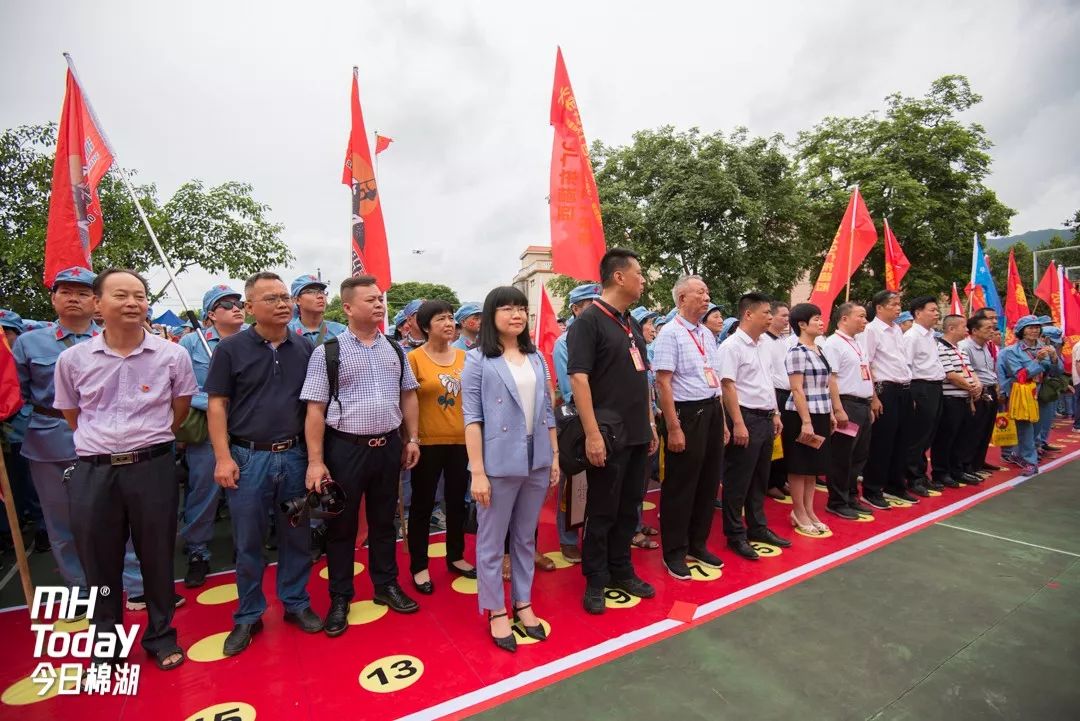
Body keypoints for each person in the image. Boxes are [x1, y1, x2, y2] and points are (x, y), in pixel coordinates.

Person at [55, 268, 198, 671]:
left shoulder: (172, 355)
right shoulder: (72, 359)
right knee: (99, 561)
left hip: (152, 467)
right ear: (98, 304)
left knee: (156, 555)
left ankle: (160, 635)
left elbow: (180, 408)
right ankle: (108, 645)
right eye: (121, 295)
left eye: (139, 295)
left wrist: (147, 439)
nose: (133, 303)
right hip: (94, 471)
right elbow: (72, 414)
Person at [11, 267, 149, 613]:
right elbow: (17, 395)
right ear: (54, 297)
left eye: (82, 292)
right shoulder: (31, 342)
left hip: (111, 439)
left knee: (123, 516)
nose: (74, 298)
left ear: (96, 301)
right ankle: (82, 590)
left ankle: (134, 585)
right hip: (50, 442)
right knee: (63, 522)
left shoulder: (117, 336)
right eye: (65, 291)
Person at [205, 272, 322, 656]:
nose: (282, 303)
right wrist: (222, 457)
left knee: (296, 535)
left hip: (293, 456)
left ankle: (295, 602)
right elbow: (218, 405)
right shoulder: (230, 349)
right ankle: (249, 613)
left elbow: (313, 407)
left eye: (285, 296)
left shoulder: (305, 348)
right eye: (271, 298)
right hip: (247, 458)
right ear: (249, 307)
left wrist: (314, 460)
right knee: (249, 541)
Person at [301, 275, 422, 636]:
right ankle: (341, 597)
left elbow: (409, 396)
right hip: (345, 451)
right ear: (349, 307)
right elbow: (315, 409)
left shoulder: (395, 348)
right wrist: (316, 460)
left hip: (388, 447)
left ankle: (385, 585)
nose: (379, 305)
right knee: (341, 526)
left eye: (380, 300)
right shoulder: (329, 352)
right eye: (370, 300)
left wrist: (412, 438)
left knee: (385, 521)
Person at [463, 286, 557, 652]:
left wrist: (555, 455)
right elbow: (472, 418)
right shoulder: (477, 360)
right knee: (490, 542)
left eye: (521, 308)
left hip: (536, 459)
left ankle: (524, 601)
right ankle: (495, 608)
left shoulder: (536, 359)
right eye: (507, 308)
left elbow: (547, 411)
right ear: (491, 316)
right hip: (498, 462)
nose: (516, 315)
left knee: (525, 538)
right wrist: (478, 471)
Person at [567, 248, 658, 612]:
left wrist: (650, 424)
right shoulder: (589, 321)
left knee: (629, 506)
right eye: (639, 273)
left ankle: (622, 569)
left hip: (637, 432)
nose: (643, 280)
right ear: (618, 277)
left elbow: (642, 375)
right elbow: (578, 378)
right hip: (607, 434)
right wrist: (591, 433)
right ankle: (596, 578)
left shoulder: (629, 322)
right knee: (602, 509)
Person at [652, 276, 730, 576]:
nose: (706, 297)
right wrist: (673, 427)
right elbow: (663, 382)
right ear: (682, 298)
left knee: (708, 482)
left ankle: (698, 543)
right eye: (700, 292)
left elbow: (715, 381)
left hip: (711, 411)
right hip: (686, 415)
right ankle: (674, 551)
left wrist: (721, 421)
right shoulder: (670, 334)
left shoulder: (707, 334)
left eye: (707, 291)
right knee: (681, 486)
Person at [177, 284, 246, 588]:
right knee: (204, 492)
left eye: (238, 302)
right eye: (226, 304)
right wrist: (219, 404)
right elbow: (183, 388)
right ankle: (198, 552)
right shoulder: (191, 344)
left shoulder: (253, 339)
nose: (236, 307)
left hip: (247, 427)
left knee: (246, 492)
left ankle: (244, 547)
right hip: (209, 430)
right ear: (210, 314)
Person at [404, 299, 475, 594]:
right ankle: (419, 566)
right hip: (427, 444)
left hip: (461, 442)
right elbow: (407, 402)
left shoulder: (465, 358)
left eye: (450, 318)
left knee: (457, 503)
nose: (449, 324)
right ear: (425, 326)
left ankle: (455, 555)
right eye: (440, 319)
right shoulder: (414, 359)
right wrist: (412, 439)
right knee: (422, 505)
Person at [717, 293, 791, 560]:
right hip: (744, 418)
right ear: (748, 314)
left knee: (760, 478)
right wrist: (737, 422)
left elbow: (767, 381)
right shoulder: (731, 346)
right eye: (766, 313)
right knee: (738, 480)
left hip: (765, 417)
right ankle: (735, 534)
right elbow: (727, 385)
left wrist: (775, 412)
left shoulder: (764, 345)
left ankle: (758, 527)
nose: (771, 318)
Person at [781, 303, 842, 535]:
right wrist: (806, 421)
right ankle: (798, 511)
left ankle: (808, 509)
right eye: (816, 318)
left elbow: (825, 385)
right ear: (802, 324)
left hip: (819, 412)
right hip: (800, 415)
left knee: (813, 468)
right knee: (799, 466)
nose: (821, 322)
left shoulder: (819, 350)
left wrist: (829, 413)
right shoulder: (797, 352)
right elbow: (797, 390)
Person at [551, 282, 600, 562]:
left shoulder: (603, 334)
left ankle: (594, 533)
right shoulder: (564, 341)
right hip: (578, 418)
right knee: (574, 482)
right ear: (576, 308)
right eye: (589, 304)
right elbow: (571, 387)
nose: (595, 309)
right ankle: (568, 538)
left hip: (605, 415)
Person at [821, 302, 876, 519]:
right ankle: (837, 501)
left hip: (862, 405)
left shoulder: (857, 342)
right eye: (860, 316)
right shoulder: (834, 344)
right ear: (844, 318)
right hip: (846, 405)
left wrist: (870, 402)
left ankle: (851, 495)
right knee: (842, 455)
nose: (865, 321)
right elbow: (831, 379)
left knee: (859, 455)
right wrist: (838, 408)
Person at [861, 291, 913, 508]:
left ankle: (895, 485)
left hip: (904, 389)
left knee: (902, 441)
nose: (898, 308)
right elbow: (867, 364)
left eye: (899, 304)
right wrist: (874, 397)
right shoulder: (871, 330)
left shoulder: (897, 331)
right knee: (882, 443)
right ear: (879, 308)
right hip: (885, 390)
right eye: (893, 304)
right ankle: (872, 489)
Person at [0, 310, 46, 553]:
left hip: (25, 431)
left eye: (7, 332)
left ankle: (41, 528)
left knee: (30, 484)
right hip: (9, 434)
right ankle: (9, 528)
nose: (3, 337)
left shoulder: (23, 360)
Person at [997, 315, 1060, 476]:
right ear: (1021, 331)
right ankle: (1030, 462)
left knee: (1037, 427)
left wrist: (1054, 358)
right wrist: (1038, 361)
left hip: (1041, 392)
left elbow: (1057, 372)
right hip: (1022, 394)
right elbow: (1020, 375)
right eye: (1030, 327)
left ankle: (1020, 453)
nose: (1034, 330)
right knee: (1025, 428)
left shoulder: (1045, 347)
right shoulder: (1011, 351)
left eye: (1037, 327)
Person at [930, 315, 981, 488]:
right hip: (950, 399)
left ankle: (956, 470)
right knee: (946, 438)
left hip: (965, 398)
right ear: (951, 329)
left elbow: (970, 370)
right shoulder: (940, 348)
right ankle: (941, 472)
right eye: (964, 327)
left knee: (961, 437)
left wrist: (976, 385)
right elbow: (950, 375)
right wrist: (971, 387)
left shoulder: (960, 349)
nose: (967, 330)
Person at [903, 296, 945, 496]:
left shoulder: (931, 335)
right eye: (932, 310)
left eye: (937, 310)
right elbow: (907, 366)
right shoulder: (912, 336)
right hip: (920, 387)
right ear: (918, 313)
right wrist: (911, 395)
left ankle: (921, 474)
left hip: (935, 386)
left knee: (929, 434)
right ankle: (913, 477)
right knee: (918, 435)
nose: (936, 313)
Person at [956, 314, 999, 480]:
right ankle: (967, 465)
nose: (992, 331)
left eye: (993, 328)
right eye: (987, 328)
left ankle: (978, 462)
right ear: (974, 330)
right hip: (976, 393)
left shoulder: (987, 347)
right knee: (972, 430)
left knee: (985, 430)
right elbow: (967, 372)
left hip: (989, 390)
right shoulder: (965, 347)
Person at [763, 301, 794, 500]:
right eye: (783, 315)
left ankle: (781, 479)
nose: (786, 319)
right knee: (774, 440)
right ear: (771, 317)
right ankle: (770, 482)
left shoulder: (785, 341)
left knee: (787, 438)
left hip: (788, 393)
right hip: (774, 394)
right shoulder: (763, 341)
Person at [288, 274, 346, 345]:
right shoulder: (285, 333)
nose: (320, 296)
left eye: (322, 292)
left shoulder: (341, 332)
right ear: (297, 300)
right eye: (311, 292)